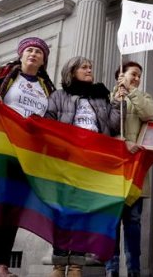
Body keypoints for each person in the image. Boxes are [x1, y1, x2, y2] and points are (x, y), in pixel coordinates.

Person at [0, 37, 56, 277]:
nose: (33, 54)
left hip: (28, 154)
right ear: (21, 54)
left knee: (13, 207)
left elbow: (54, 119)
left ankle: (1, 264)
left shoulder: (48, 88)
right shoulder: (3, 75)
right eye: (29, 50)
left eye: (39, 52)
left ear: (43, 60)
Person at [44, 56, 124, 277]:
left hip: (93, 161)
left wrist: (117, 102)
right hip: (67, 160)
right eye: (84, 67)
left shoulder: (101, 96)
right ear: (71, 72)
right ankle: (59, 264)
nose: (90, 70)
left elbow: (113, 125)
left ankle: (77, 265)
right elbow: (48, 122)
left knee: (83, 213)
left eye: (91, 67)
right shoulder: (59, 96)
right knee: (63, 213)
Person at [105, 61, 153, 277]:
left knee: (133, 221)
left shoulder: (142, 96)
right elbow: (104, 127)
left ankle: (134, 270)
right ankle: (112, 269)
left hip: (135, 169)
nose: (136, 78)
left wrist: (132, 92)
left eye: (139, 76)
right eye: (133, 74)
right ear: (121, 74)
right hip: (112, 169)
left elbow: (150, 113)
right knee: (112, 222)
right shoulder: (109, 98)